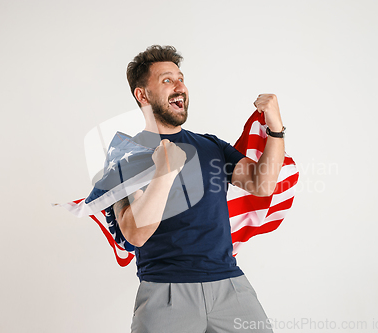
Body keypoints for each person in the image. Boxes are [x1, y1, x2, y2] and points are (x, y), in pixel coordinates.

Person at [114, 45, 285, 333]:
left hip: (230, 285)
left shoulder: (211, 146)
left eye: (180, 78)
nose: (180, 86)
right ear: (142, 95)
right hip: (165, 293)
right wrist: (163, 174)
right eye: (167, 80)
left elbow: (262, 184)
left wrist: (276, 128)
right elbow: (134, 233)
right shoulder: (125, 155)